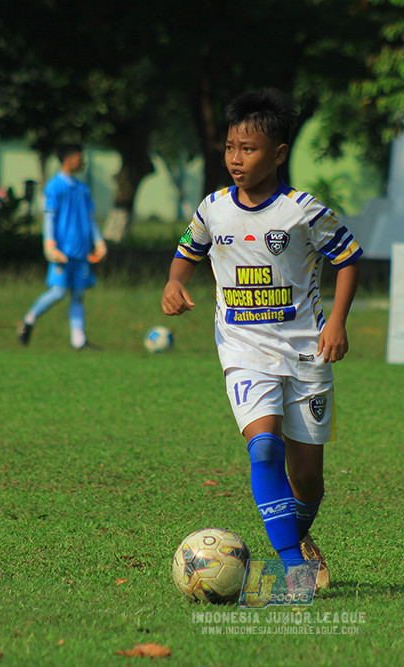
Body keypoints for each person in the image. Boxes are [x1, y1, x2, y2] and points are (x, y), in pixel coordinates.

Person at [161, 89, 363, 592]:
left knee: (309, 480)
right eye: (230, 147)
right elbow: (189, 250)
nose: (236, 158)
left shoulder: (303, 211)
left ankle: (297, 534)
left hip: (306, 351)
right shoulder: (213, 208)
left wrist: (336, 322)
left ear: (278, 153)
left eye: (248, 149)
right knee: (264, 450)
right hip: (243, 348)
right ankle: (292, 566)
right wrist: (175, 282)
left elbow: (349, 258)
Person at [18, 144, 106, 349]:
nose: (82, 161)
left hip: (81, 251)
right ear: (68, 158)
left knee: (78, 294)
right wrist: (50, 245)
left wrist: (100, 243)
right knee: (58, 292)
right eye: (79, 157)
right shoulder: (54, 186)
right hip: (63, 252)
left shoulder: (83, 189)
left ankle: (79, 340)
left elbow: (91, 219)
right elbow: (49, 217)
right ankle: (28, 320)